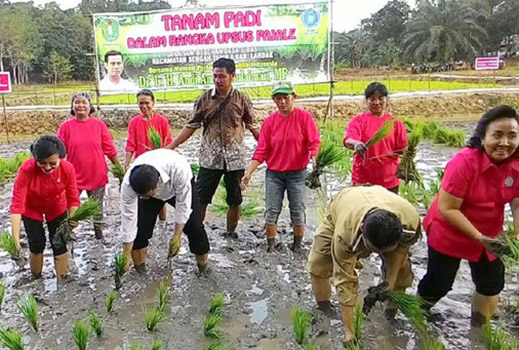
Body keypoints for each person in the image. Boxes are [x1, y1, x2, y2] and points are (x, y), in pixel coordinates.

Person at [417, 105, 519, 327]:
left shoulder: (516, 165)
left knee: (491, 283)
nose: (504, 143)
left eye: (512, 136)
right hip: (449, 230)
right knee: (439, 283)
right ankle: (417, 312)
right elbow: (448, 208)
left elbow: (517, 203)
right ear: (482, 136)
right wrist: (478, 236)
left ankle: (479, 328)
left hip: (489, 234)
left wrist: (514, 234)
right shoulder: (464, 163)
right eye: (497, 135)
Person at [307, 185, 421, 346]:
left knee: (402, 273)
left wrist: (390, 281)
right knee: (319, 263)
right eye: (374, 250)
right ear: (362, 231)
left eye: (384, 251)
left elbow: (400, 251)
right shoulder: (344, 233)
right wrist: (349, 331)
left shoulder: (410, 221)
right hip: (345, 203)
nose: (379, 254)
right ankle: (325, 309)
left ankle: (390, 316)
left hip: (382, 200)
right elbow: (344, 281)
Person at [167, 58, 260, 238]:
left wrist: (267, 149)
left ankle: (230, 234)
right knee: (201, 198)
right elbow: (191, 125)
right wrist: (171, 147)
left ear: (232, 76)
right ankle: (197, 233)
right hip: (210, 159)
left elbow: (253, 126)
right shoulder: (204, 99)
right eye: (215, 76)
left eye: (222, 76)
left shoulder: (242, 100)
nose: (218, 80)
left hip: (235, 159)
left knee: (235, 199)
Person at [241, 81, 320, 251]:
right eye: (278, 99)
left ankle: (297, 246)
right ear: (274, 100)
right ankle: (270, 246)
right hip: (274, 174)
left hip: (297, 173)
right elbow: (262, 150)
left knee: (297, 210)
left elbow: (314, 143)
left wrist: (315, 160)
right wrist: (248, 172)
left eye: (286, 98)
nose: (282, 102)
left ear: (293, 97)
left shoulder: (304, 118)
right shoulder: (269, 122)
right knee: (272, 210)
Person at [120, 148, 210, 275]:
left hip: (175, 185)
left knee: (194, 226)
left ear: (156, 186)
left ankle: (204, 268)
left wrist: (177, 235)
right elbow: (128, 220)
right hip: (147, 187)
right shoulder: (128, 186)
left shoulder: (179, 171)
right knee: (140, 231)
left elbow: (183, 205)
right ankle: (141, 273)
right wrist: (126, 255)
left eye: (149, 195)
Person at [10, 135, 81, 279]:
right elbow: (17, 206)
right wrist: (15, 240)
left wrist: (73, 220)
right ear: (36, 159)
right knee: (36, 243)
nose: (47, 167)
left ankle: (62, 278)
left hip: (56, 205)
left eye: (52, 163)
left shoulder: (67, 169)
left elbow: (73, 199)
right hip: (31, 207)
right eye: (42, 163)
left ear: (60, 158)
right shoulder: (27, 169)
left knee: (59, 243)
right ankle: (36, 278)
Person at [58, 92, 121, 239]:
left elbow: (109, 149)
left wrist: (120, 171)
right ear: (72, 106)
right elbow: (59, 153)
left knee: (97, 210)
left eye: (84, 102)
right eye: (77, 102)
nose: (80, 105)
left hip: (96, 175)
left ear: (90, 106)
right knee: (69, 209)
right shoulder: (65, 127)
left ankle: (99, 237)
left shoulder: (99, 125)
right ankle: (65, 235)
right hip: (73, 177)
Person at [343, 82, 408, 193]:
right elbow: (348, 140)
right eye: (372, 99)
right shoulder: (359, 121)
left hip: (389, 180)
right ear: (366, 101)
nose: (376, 102)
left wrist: (409, 154)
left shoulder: (395, 123)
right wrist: (356, 144)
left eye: (380, 98)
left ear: (386, 100)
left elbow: (403, 149)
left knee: (389, 209)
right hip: (363, 181)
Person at [125, 89, 173, 221]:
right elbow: (130, 144)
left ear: (153, 103)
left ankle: (163, 223)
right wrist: (127, 163)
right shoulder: (134, 122)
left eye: (147, 103)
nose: (144, 106)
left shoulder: (162, 121)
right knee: (144, 195)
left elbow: (168, 142)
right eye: (140, 103)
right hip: (141, 165)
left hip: (159, 164)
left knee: (160, 195)